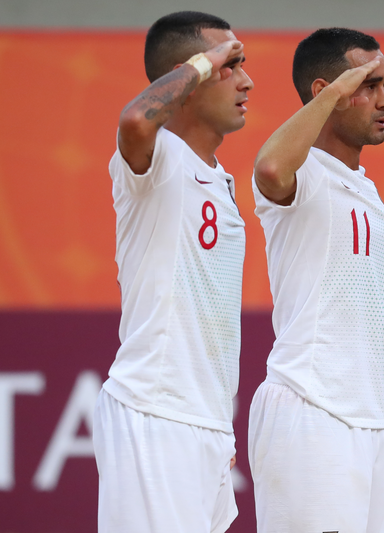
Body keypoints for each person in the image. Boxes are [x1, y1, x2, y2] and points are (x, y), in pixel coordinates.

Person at [91, 11, 253, 533]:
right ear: (191, 77)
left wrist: (217, 428)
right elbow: (136, 119)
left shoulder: (222, 182)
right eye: (233, 66)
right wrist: (206, 62)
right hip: (155, 413)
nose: (247, 81)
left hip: (203, 425)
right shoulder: (156, 161)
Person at [248, 27, 384, 533]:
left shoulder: (366, 190)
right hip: (310, 413)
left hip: (364, 420)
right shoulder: (303, 175)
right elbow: (269, 167)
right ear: (326, 93)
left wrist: (374, 405)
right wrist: (340, 90)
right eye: (370, 84)